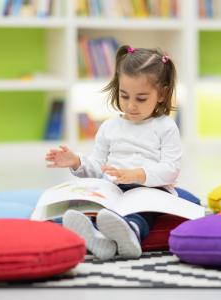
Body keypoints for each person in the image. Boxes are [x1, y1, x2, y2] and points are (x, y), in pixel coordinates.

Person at [45, 45, 182, 260]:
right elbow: (98, 167)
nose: (131, 105)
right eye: (124, 96)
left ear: (162, 94)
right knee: (94, 205)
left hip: (150, 189)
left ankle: (131, 233)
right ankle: (97, 237)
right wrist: (77, 162)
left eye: (141, 98)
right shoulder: (110, 127)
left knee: (141, 210)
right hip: (113, 188)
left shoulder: (165, 127)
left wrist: (137, 175)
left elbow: (171, 169)